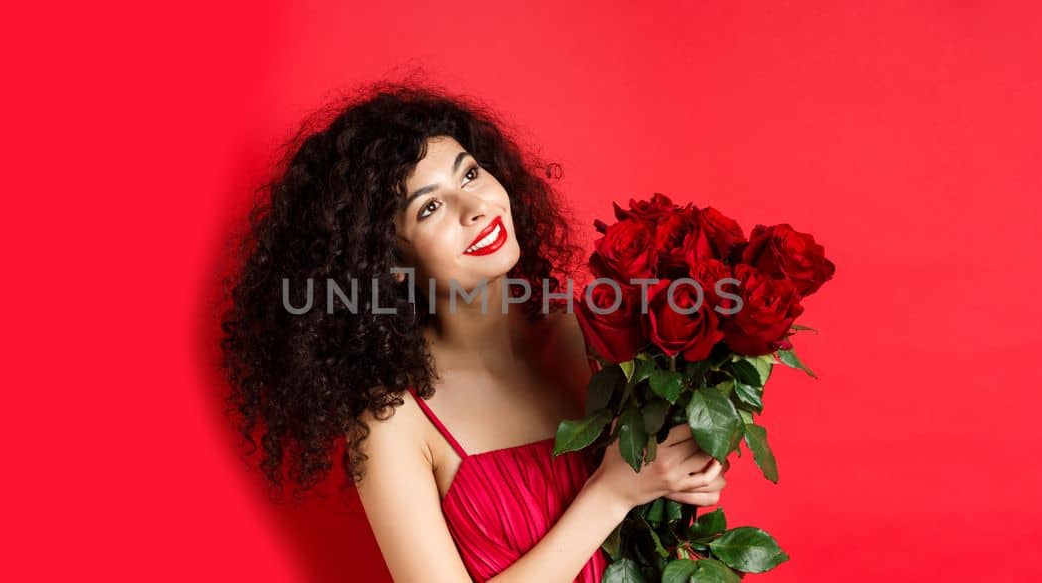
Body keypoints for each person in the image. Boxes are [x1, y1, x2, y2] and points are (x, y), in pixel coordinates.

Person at [220, 79, 727, 582]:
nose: (477, 207)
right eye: (430, 207)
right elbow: (621, 490)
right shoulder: (393, 424)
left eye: (469, 175)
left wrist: (686, 473)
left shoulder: (594, 332)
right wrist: (612, 493)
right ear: (390, 262)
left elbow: (659, 509)